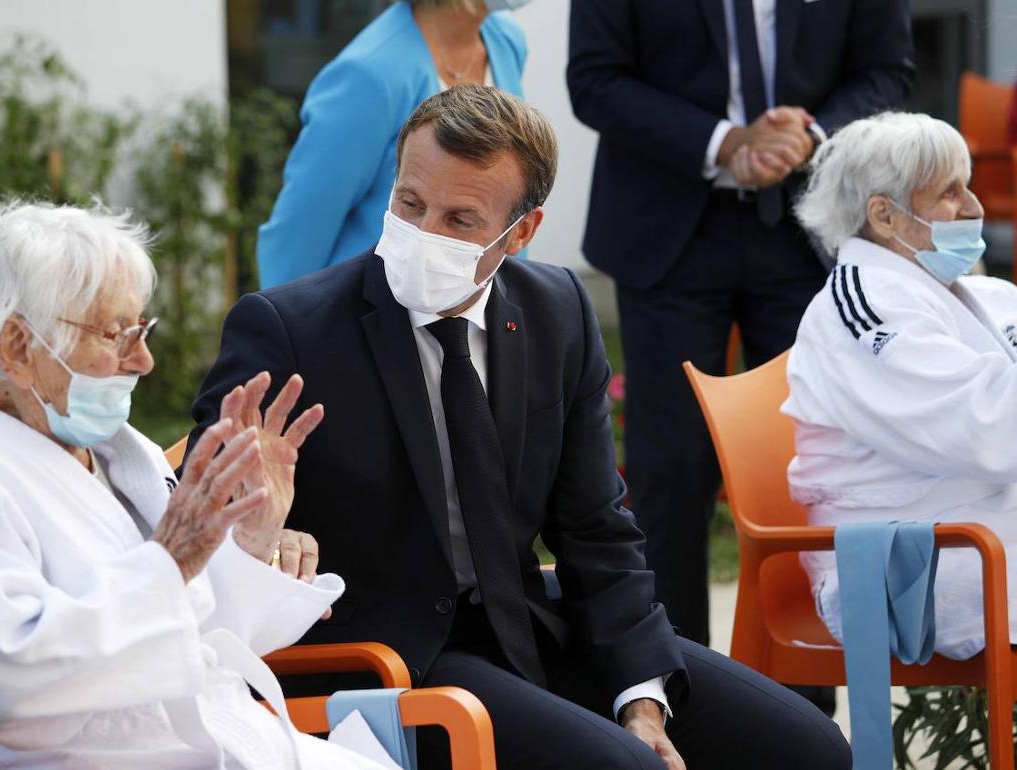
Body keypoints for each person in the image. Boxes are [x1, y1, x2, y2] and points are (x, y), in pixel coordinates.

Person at [191, 85, 850, 770]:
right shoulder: (289, 329)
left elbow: (597, 527)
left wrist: (639, 697)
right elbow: (193, 507)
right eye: (409, 204)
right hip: (388, 655)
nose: (423, 235)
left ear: (522, 232)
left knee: (810, 748)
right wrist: (254, 532)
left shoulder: (556, 310)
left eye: (460, 220)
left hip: (529, 623)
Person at [0, 200, 395, 769]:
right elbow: (6, 688)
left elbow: (194, 636)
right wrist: (170, 559)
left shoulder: (111, 454)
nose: (145, 360)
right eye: (116, 334)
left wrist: (251, 539)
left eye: (141, 329)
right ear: (17, 347)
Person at [566, 0, 915, 648]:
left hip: (807, 227)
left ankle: (801, 705)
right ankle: (673, 687)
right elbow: (595, 80)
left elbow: (886, 71)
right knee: (670, 471)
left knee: (810, 467)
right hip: (667, 226)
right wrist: (726, 141)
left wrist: (808, 136)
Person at [784, 112, 1017, 660]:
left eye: (969, 184)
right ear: (884, 215)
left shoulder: (979, 291)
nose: (974, 207)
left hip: (976, 531)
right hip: (909, 563)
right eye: (949, 192)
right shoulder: (862, 309)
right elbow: (988, 429)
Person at [256, 0, 528, 289]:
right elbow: (300, 229)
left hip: (474, 303)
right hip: (377, 310)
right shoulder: (368, 73)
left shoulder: (504, 41)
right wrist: (284, 326)